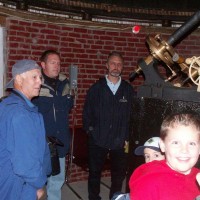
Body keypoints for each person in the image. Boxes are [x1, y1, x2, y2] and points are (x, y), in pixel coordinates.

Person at [83, 51, 135, 200]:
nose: (115, 67)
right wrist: (91, 132)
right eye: (113, 63)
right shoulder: (96, 89)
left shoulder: (128, 90)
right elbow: (87, 113)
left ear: (122, 67)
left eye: (119, 64)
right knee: (94, 174)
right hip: (98, 140)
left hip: (120, 142)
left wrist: (127, 137)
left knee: (118, 177)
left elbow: (133, 116)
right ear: (107, 65)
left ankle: (115, 198)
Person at [0, 59, 51, 200]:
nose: (40, 82)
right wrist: (40, 185)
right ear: (18, 79)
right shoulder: (20, 114)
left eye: (40, 77)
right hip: (20, 186)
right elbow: (25, 164)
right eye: (34, 77)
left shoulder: (8, 104)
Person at [129, 112, 200, 200]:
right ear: (163, 146)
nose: (184, 150)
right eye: (176, 142)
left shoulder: (198, 177)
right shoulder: (149, 182)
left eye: (192, 143)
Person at [32, 50, 74, 200]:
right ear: (43, 64)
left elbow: (69, 105)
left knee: (57, 180)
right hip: (41, 142)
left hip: (60, 140)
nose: (57, 66)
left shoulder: (65, 83)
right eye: (52, 62)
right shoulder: (35, 83)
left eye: (58, 63)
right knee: (37, 182)